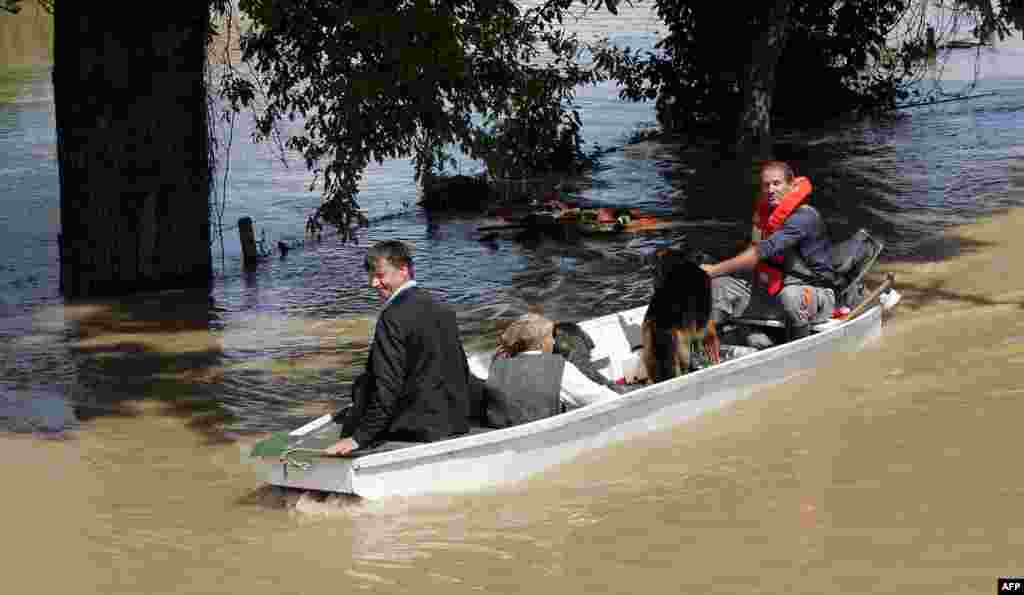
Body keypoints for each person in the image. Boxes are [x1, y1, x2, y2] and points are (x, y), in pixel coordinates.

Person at [325, 240, 474, 455]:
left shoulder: (392, 316)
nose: (373, 283)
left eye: (379, 275)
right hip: (455, 421)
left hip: (414, 428)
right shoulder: (441, 306)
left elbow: (387, 383)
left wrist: (359, 438)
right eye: (370, 276)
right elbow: (458, 365)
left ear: (403, 270)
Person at [699, 161, 837, 342]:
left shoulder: (804, 217)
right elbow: (752, 255)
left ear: (791, 185)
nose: (770, 189)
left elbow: (757, 254)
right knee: (719, 285)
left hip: (815, 294)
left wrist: (713, 270)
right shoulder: (765, 216)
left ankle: (797, 348)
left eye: (776, 183)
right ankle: (714, 345)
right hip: (772, 292)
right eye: (766, 185)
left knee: (791, 296)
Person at [475, 313, 619, 428]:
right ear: (541, 342)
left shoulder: (498, 366)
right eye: (551, 337)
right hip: (549, 439)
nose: (554, 342)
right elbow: (604, 400)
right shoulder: (557, 368)